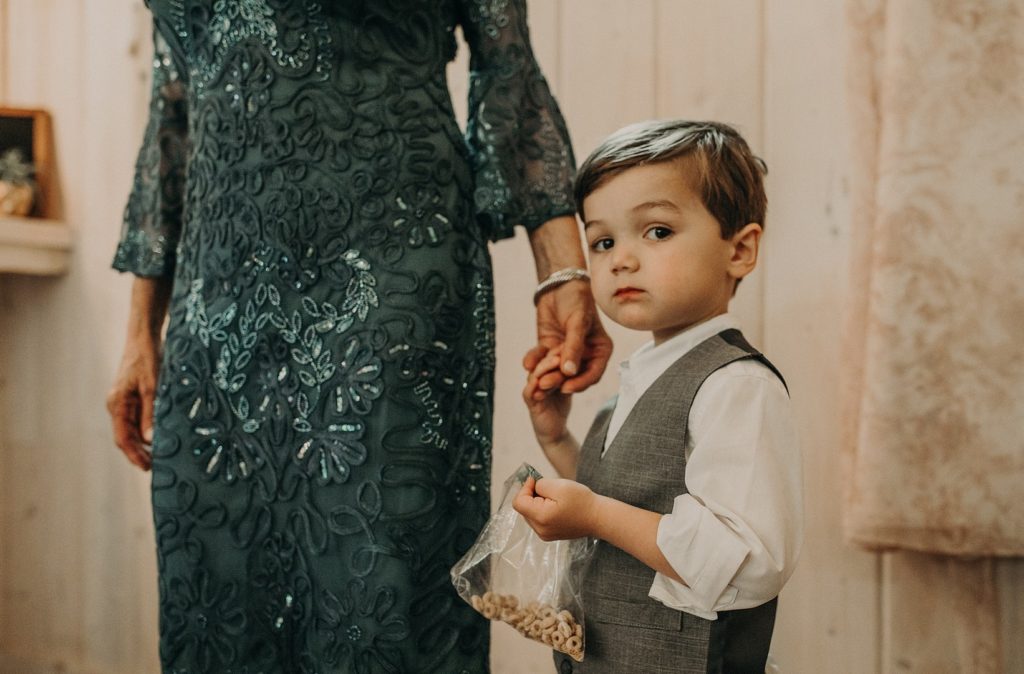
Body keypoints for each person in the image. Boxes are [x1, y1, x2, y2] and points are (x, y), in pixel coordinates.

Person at [105, 2, 611, 672]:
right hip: (219, 298)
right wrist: (141, 329)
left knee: (379, 594)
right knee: (217, 586)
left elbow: (508, 67)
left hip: (394, 268)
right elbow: (174, 110)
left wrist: (563, 272)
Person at [514, 119, 803, 673]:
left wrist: (595, 514)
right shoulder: (633, 385)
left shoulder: (735, 387)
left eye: (657, 232)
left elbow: (749, 562)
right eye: (602, 241)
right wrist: (557, 438)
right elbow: (631, 499)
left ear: (739, 250)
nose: (621, 258)